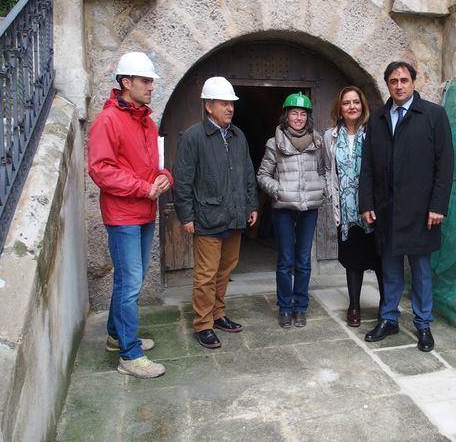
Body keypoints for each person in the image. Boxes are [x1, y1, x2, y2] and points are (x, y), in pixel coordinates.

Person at [88, 51, 172, 378]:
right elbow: (101, 170)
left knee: (128, 280)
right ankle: (129, 355)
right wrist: (142, 187)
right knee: (131, 282)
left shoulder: (147, 122)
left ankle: (115, 336)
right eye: (146, 81)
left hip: (144, 211)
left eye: (152, 81)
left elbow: (154, 165)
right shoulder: (108, 120)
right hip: (123, 215)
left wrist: (165, 176)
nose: (152, 87)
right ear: (126, 82)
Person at [359, 61, 454, 352]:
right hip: (386, 210)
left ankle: (423, 324)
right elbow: (368, 166)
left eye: (403, 80)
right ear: (387, 84)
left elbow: (445, 164)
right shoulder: (377, 118)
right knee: (389, 269)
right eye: (392, 81)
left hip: (421, 211)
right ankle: (389, 318)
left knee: (421, 270)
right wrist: (366, 202)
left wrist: (438, 205)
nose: (398, 86)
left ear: (414, 81)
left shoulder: (434, 115)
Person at [173, 77, 258, 349]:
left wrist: (252, 205)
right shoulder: (194, 137)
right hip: (207, 217)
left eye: (231, 103)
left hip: (234, 216)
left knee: (226, 269)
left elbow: (247, 172)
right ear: (209, 106)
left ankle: (218, 314)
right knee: (206, 274)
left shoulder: (238, 135)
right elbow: (183, 179)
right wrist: (186, 216)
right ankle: (203, 323)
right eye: (224, 103)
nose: (230, 108)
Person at [257, 92, 325, 328]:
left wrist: (321, 188)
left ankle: (301, 307)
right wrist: (278, 190)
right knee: (286, 260)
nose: (298, 118)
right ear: (286, 116)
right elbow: (263, 175)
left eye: (303, 114)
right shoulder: (274, 143)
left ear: (308, 117)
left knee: (303, 260)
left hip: (308, 208)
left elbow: (323, 171)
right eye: (294, 113)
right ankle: (285, 307)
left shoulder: (317, 142)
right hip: (283, 208)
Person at [323, 86, 383, 327]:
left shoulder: (373, 132)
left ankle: (385, 306)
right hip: (346, 211)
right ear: (339, 108)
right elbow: (328, 169)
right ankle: (354, 306)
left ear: (363, 106)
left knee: (379, 259)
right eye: (346, 103)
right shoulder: (330, 136)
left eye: (356, 102)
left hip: (372, 208)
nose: (351, 107)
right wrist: (331, 194)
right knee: (352, 259)